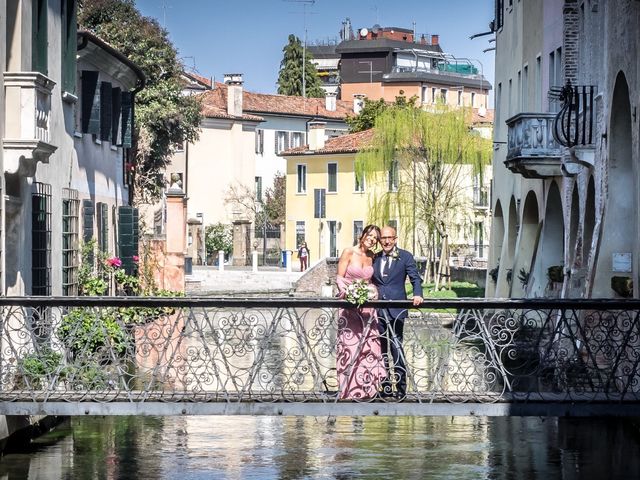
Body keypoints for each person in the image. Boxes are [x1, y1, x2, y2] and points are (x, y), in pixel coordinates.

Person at [371, 226, 424, 399]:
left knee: (396, 348)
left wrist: (417, 294)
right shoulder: (375, 258)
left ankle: (401, 389)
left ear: (395, 239)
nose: (386, 241)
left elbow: (415, 277)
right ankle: (385, 387)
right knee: (381, 350)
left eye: (389, 238)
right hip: (378, 311)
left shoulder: (405, 256)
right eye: (383, 238)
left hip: (396, 310)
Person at [335, 224, 386, 400]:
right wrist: (350, 293)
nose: (372, 239)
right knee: (350, 346)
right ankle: (346, 389)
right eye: (370, 235)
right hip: (350, 307)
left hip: (367, 309)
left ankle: (366, 389)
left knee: (368, 347)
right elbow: (340, 278)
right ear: (363, 235)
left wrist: (371, 291)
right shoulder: (348, 252)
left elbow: (372, 281)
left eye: (375, 238)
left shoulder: (373, 257)